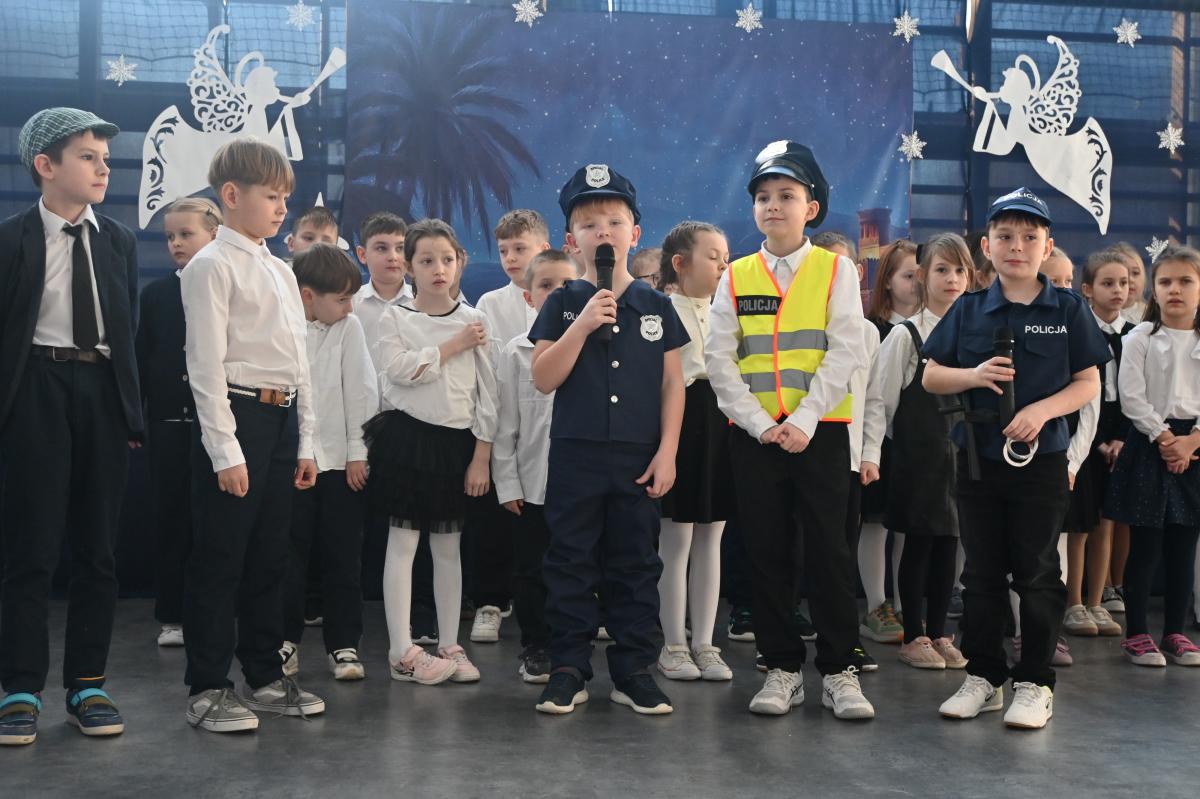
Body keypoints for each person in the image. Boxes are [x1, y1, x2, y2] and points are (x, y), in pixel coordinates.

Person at [922, 188, 1110, 729]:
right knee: (981, 572)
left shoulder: (1068, 309)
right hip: (978, 460)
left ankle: (1035, 682)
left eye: (1030, 237)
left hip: (1042, 461)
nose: (1017, 246)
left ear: (1047, 246)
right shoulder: (969, 308)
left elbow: (1088, 383)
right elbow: (932, 375)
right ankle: (984, 676)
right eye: (1005, 236)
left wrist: (1042, 411)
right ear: (987, 246)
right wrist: (973, 375)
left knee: (1037, 572)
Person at [706, 141, 874, 719]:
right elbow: (719, 360)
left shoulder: (835, 271)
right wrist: (760, 425)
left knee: (829, 552)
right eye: (762, 197)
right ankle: (781, 668)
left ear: (812, 208)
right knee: (766, 552)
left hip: (819, 432)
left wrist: (803, 419)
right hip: (755, 438)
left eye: (786, 195)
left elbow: (846, 348)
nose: (773, 205)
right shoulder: (735, 276)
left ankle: (840, 670)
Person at [0, 108, 141, 746]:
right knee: (30, 547)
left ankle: (87, 682)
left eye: (105, 158)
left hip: (101, 390)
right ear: (45, 165)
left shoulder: (118, 240)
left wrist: (129, 410)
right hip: (37, 386)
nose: (104, 168)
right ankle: (20, 687)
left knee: (98, 550)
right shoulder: (11, 240)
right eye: (88, 157)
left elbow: (126, 330)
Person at [529, 164, 687, 715]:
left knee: (635, 564)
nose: (604, 232)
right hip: (576, 455)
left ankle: (633, 670)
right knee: (570, 561)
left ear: (634, 234)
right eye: (590, 223)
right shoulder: (563, 302)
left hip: (639, 457)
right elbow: (543, 377)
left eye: (615, 221)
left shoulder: (656, 305)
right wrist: (582, 325)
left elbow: (672, 384)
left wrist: (668, 452)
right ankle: (568, 668)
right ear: (571, 239)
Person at [180, 138, 325, 732]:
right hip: (238, 418)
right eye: (271, 196)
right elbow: (204, 366)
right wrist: (225, 450)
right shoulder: (211, 265)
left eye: (286, 197)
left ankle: (263, 674)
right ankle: (207, 687)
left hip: (281, 420)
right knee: (221, 558)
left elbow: (299, 363)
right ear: (232, 195)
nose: (282, 208)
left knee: (271, 555)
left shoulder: (281, 269)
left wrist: (307, 440)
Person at [365, 218, 498, 686]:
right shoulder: (395, 318)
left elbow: (489, 394)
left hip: (457, 444)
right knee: (402, 544)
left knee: (448, 547)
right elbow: (397, 371)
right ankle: (401, 649)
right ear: (409, 268)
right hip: (408, 440)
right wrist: (452, 346)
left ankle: (449, 644)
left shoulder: (475, 320)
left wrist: (481, 455)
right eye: (426, 260)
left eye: (446, 259)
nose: (438, 269)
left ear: (460, 262)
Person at [864, 233, 973, 670]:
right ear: (923, 276)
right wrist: (873, 453)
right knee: (918, 545)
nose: (952, 279)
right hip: (919, 459)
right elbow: (880, 400)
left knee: (949, 544)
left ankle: (940, 632)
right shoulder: (905, 335)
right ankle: (914, 635)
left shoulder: (974, 334)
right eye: (942, 270)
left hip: (961, 458)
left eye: (960, 270)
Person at [280, 244, 378, 681]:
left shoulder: (349, 328)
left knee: (343, 556)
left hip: (339, 462)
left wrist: (358, 452)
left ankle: (344, 644)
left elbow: (361, 391)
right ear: (307, 295)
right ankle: (284, 641)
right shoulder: (281, 325)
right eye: (341, 299)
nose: (349, 307)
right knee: (287, 555)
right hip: (293, 461)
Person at [1104, 246, 1200, 668]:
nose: (1175, 289)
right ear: (1153, 291)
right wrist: (1164, 438)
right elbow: (1132, 397)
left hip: (1194, 446)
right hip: (1150, 442)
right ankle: (1138, 633)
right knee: (1146, 545)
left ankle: (1175, 632)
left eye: (1185, 281)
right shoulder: (1139, 338)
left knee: (1184, 545)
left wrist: (1191, 442)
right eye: (1165, 282)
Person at [493, 249, 580, 683]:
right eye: (546, 285)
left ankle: (572, 645)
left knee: (577, 569)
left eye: (567, 285)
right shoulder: (516, 352)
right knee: (531, 571)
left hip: (581, 488)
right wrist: (508, 484)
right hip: (532, 486)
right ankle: (537, 646)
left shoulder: (594, 344)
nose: (557, 293)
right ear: (529, 296)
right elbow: (505, 424)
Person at [137, 197, 221, 649]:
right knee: (171, 520)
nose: (176, 244)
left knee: (216, 524)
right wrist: (136, 417)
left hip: (219, 428)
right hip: (169, 425)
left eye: (186, 234)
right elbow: (142, 357)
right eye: (170, 236)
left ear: (215, 233)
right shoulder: (155, 295)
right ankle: (172, 614)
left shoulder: (227, 288)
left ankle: (216, 612)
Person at [654, 221, 735, 682]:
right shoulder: (660, 310)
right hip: (680, 426)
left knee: (712, 537)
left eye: (726, 258)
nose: (723, 266)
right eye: (713, 257)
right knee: (676, 540)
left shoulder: (727, 311)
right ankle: (673, 644)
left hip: (721, 424)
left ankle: (705, 641)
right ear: (680, 263)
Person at [469, 210, 552, 644]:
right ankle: (490, 603)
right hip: (502, 423)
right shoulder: (490, 304)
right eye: (503, 251)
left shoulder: (570, 298)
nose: (510, 258)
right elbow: (488, 374)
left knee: (546, 531)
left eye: (520, 248)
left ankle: (555, 609)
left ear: (544, 248)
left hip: (548, 433)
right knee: (497, 521)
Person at [1059, 250, 1130, 639]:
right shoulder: (1079, 330)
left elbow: (1133, 394)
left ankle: (1098, 600)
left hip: (1121, 440)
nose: (1118, 290)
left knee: (1107, 518)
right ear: (1087, 289)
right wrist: (1099, 441)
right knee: (1080, 523)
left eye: (1124, 283)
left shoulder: (1134, 334)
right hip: (1086, 440)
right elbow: (1084, 395)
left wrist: (1121, 439)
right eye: (1107, 283)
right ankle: (1073, 601)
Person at [859, 240, 919, 645]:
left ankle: (904, 602)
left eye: (921, 275)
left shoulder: (937, 328)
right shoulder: (875, 330)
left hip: (919, 444)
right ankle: (876, 605)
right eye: (907, 275)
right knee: (876, 522)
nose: (916, 283)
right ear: (887, 282)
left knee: (909, 527)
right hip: (880, 442)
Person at [352, 211, 410, 364]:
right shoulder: (350, 304)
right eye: (381, 248)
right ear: (362, 254)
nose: (393, 257)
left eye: (400, 248)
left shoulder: (423, 302)